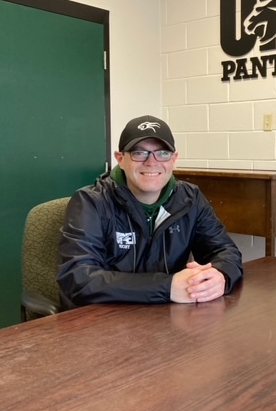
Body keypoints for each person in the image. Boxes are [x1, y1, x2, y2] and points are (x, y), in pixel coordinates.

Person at [57, 115, 243, 308]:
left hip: (167, 317)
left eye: (162, 153)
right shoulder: (91, 202)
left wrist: (220, 275)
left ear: (174, 159)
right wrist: (166, 287)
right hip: (104, 320)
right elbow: (77, 278)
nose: (152, 162)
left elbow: (224, 250)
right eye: (139, 153)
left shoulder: (190, 198)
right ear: (120, 159)